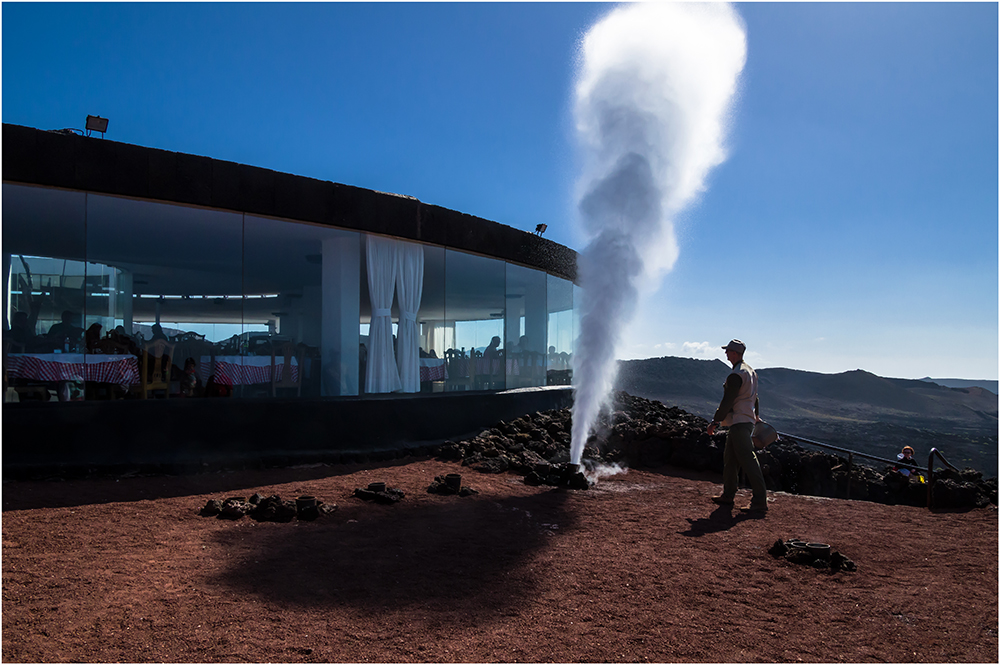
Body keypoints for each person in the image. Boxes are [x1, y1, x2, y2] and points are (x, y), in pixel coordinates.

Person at [706, 339, 768, 513]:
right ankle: (728, 494)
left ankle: (759, 500)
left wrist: (715, 421)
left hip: (739, 422)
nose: (726, 354)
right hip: (743, 421)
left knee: (748, 459)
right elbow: (755, 398)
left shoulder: (736, 374)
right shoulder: (751, 372)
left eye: (728, 351)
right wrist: (756, 416)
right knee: (731, 459)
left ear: (735, 353)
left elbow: (728, 400)